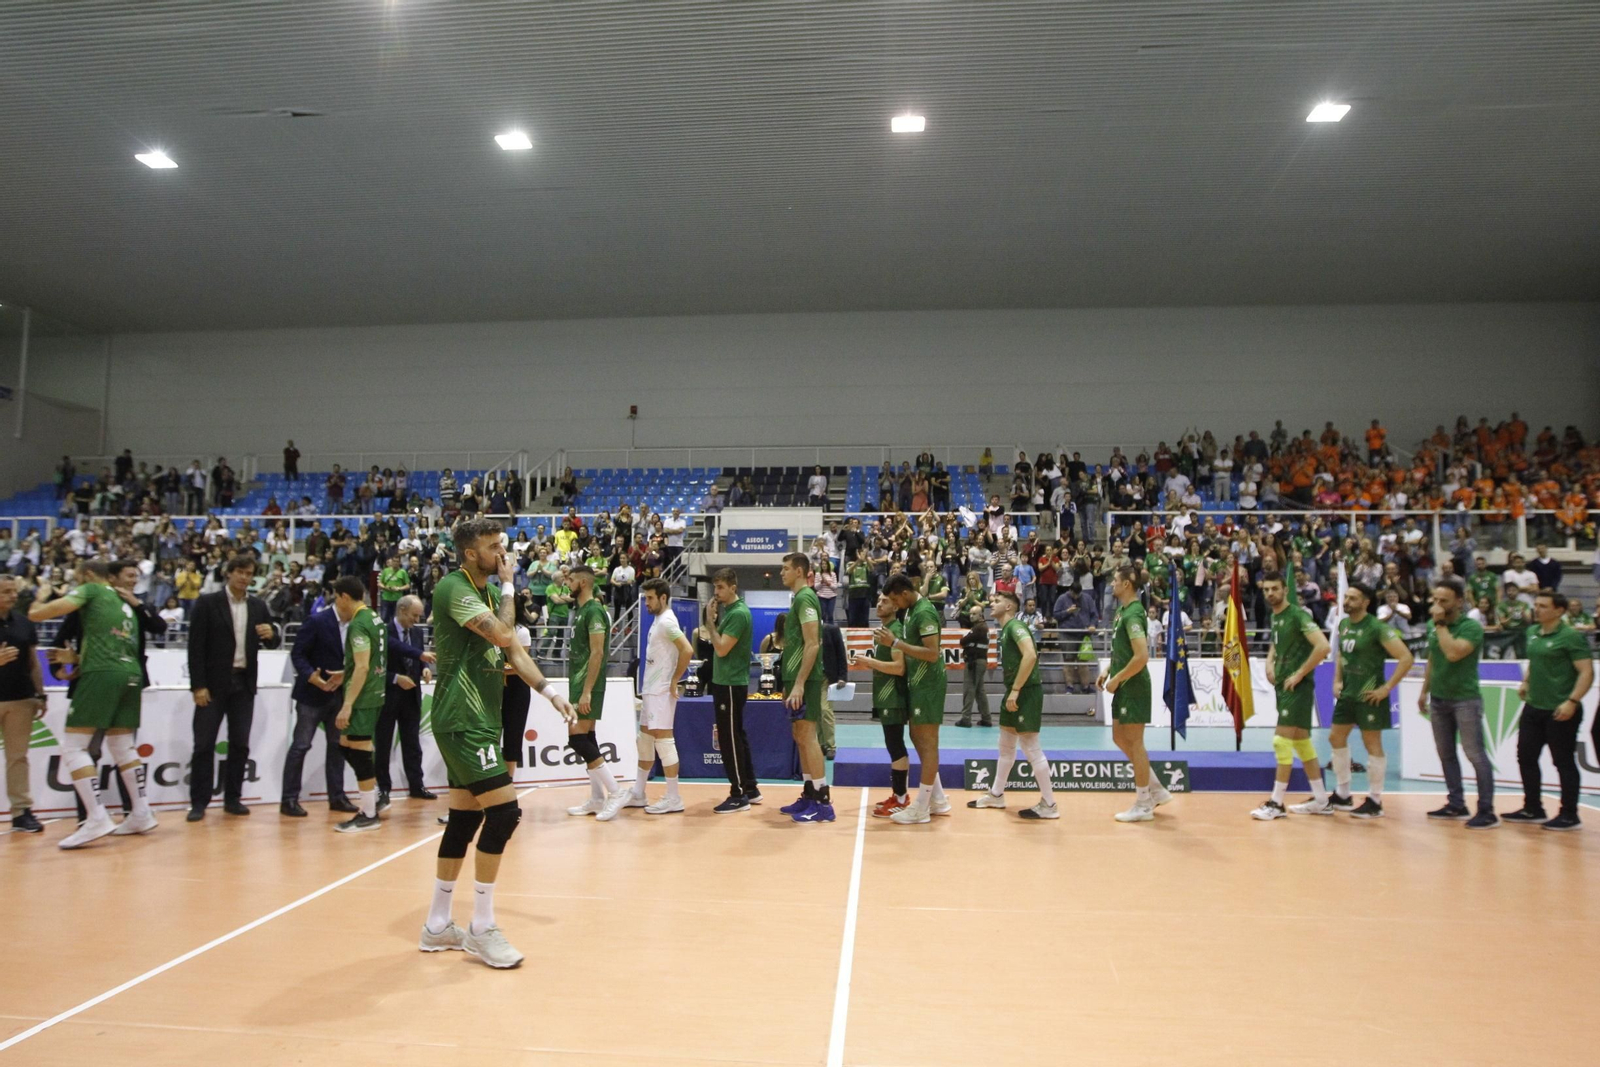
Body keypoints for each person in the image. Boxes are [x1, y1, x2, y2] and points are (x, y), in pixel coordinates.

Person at [419, 517, 574, 968]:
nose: (502, 555)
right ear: (470, 553)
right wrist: (509, 587)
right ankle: (482, 928)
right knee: (505, 813)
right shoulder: (454, 588)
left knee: (464, 822)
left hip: (479, 719)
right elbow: (505, 635)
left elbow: (514, 653)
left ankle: (436, 925)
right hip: (463, 719)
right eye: (493, 547)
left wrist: (550, 693)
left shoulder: (482, 592)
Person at [28, 560, 156, 848]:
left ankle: (96, 816)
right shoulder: (124, 601)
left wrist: (41, 594)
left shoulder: (92, 590)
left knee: (74, 746)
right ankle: (141, 811)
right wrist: (73, 660)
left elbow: (37, 615)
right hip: (131, 673)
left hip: (102, 675)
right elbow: (115, 644)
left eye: (76, 576)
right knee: (123, 746)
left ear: (87, 575)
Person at [185, 556, 278, 821]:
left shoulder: (258, 605)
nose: (245, 578)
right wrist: (198, 685)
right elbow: (195, 649)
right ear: (229, 573)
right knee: (204, 744)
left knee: (240, 744)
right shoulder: (207, 603)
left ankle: (233, 798)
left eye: (249, 574)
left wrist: (272, 635)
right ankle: (199, 802)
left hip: (243, 683)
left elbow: (270, 639)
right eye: (240, 572)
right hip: (212, 686)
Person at [1505, 590, 1593, 831]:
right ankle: (1533, 808)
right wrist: (1526, 681)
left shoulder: (1570, 637)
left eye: (1543, 606)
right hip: (1534, 707)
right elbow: (1535, 662)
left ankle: (1569, 814)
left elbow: (1586, 672)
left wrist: (1572, 701)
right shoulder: (1532, 633)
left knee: (1563, 761)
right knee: (1526, 757)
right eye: (1537, 605)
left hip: (1560, 709)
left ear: (1559, 610)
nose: (1537, 609)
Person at [968, 591, 1058, 819]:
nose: (992, 603)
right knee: (1006, 744)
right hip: (1015, 689)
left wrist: (1016, 689)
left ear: (1009, 607)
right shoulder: (1004, 629)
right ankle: (996, 795)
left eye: (997, 601)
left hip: (1025, 691)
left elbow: (1030, 655)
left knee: (1031, 747)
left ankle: (1049, 804)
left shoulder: (1016, 626)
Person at [1250, 571, 1333, 820]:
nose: (1270, 593)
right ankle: (1321, 799)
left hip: (1298, 688)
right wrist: (1269, 662)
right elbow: (1277, 643)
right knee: (1302, 742)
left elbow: (1323, 646)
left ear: (1285, 590)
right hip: (1284, 687)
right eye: (1266, 590)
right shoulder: (1277, 617)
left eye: (1275, 588)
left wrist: (1299, 674)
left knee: (1281, 742)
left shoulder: (1297, 615)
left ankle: (1276, 803)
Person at [1327, 583, 1413, 818]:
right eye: (1346, 598)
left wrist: (1386, 688)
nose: (1347, 602)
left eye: (1353, 598)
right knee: (1335, 737)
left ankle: (1375, 801)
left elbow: (1406, 658)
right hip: (1348, 694)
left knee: (1372, 744)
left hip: (1369, 695)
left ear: (1366, 602)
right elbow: (1341, 654)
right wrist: (1337, 681)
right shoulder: (1344, 624)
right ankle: (1343, 794)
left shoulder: (1376, 627)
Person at [1417, 576, 1497, 828]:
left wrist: (1440, 624)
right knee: (1446, 754)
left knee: (1475, 754)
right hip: (1439, 698)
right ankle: (1456, 803)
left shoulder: (1470, 627)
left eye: (1444, 600)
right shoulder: (1433, 625)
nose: (1438, 604)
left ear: (1459, 602)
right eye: (1435, 599)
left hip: (1465, 699)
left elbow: (1452, 653)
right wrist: (1424, 691)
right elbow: (1433, 657)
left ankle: (1486, 810)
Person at [1100, 565, 1172, 823]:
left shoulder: (1133, 615)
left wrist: (1118, 678)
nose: (1111, 585)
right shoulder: (1122, 611)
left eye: (1115, 581)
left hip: (1133, 685)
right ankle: (1157, 789)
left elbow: (1142, 656)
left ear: (1127, 584)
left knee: (1135, 741)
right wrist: (1110, 669)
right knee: (1120, 738)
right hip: (1123, 682)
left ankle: (1143, 802)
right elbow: (1125, 651)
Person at [562, 565, 630, 821]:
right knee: (588, 739)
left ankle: (615, 791)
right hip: (579, 683)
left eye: (570, 579)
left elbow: (598, 652)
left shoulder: (594, 611)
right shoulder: (582, 611)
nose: (567, 583)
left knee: (577, 740)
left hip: (587, 684)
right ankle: (597, 797)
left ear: (583, 582)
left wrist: (587, 691)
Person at [883, 571, 951, 824]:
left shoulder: (923, 612)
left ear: (905, 593)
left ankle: (922, 806)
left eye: (895, 599)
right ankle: (938, 798)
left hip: (929, 685)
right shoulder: (912, 611)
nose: (895, 605)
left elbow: (932, 653)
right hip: (918, 683)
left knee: (928, 741)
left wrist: (897, 643)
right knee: (916, 736)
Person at [282, 600, 353, 817]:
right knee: (301, 746)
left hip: (338, 695)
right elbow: (298, 654)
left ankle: (337, 797)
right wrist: (311, 676)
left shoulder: (356, 624)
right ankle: (289, 799)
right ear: (343, 598)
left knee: (337, 747)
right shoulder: (317, 620)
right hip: (311, 696)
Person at [330, 576, 388, 833]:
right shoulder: (375, 618)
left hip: (363, 697)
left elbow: (363, 665)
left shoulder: (359, 624)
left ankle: (368, 812)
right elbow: (368, 661)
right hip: (374, 692)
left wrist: (347, 705)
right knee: (347, 744)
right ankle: (374, 796)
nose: (336, 603)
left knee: (359, 749)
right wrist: (346, 672)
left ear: (344, 596)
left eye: (336, 597)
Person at [629, 578, 692, 814]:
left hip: (661, 691)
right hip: (651, 690)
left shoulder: (667, 622)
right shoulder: (658, 620)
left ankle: (674, 797)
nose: (646, 602)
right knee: (644, 740)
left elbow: (687, 649)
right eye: (646, 598)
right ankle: (638, 793)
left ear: (663, 598)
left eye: (650, 598)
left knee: (664, 742)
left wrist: (675, 679)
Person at [779, 553, 834, 823]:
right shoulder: (798, 599)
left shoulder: (805, 598)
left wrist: (800, 683)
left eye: (786, 569)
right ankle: (809, 794)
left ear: (800, 571)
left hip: (807, 680)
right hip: (794, 678)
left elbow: (813, 643)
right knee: (800, 736)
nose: (782, 573)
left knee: (809, 737)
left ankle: (824, 803)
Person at [704, 568, 760, 813]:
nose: (716, 593)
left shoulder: (738, 614)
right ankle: (750, 787)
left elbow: (722, 649)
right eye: (715, 588)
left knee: (728, 738)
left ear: (732, 588)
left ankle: (738, 794)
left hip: (729, 683)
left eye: (720, 588)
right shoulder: (731, 613)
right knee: (737, 734)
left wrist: (709, 624)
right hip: (728, 681)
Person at [375, 594, 436, 809]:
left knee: (412, 743)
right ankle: (383, 789)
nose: (416, 620)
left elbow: (418, 661)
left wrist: (425, 669)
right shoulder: (383, 632)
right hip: (388, 695)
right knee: (383, 744)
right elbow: (377, 666)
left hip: (412, 695)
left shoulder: (417, 633)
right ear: (401, 611)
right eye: (414, 615)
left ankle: (416, 785)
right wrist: (395, 678)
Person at [855, 593, 910, 816]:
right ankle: (898, 794)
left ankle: (901, 798)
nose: (879, 604)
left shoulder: (895, 631)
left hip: (894, 697)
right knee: (892, 745)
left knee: (896, 746)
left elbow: (899, 667)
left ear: (896, 606)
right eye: (877, 600)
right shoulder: (885, 631)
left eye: (884, 601)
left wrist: (869, 662)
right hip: (886, 696)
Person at [0, 575, 46, 833]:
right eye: (6, 591)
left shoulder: (24, 624)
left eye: (13, 591)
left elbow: (33, 662)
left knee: (17, 758)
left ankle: (21, 812)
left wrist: (40, 694)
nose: (12, 596)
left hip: (20, 698)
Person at [955, 618, 992, 728]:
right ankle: (986, 718)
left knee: (969, 689)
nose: (971, 616)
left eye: (974, 614)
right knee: (980, 691)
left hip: (974, 662)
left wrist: (967, 644)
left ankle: (966, 718)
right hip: (980, 661)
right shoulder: (983, 628)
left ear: (981, 615)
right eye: (971, 613)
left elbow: (963, 641)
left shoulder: (979, 628)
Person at [378, 554, 410, 623]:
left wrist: (399, 588)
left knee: (396, 619)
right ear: (391, 561)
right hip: (386, 598)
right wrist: (386, 587)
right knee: (384, 617)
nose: (395, 563)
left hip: (397, 599)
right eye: (394, 561)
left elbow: (407, 585)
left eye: (397, 561)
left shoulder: (403, 572)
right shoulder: (385, 571)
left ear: (399, 562)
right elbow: (379, 583)